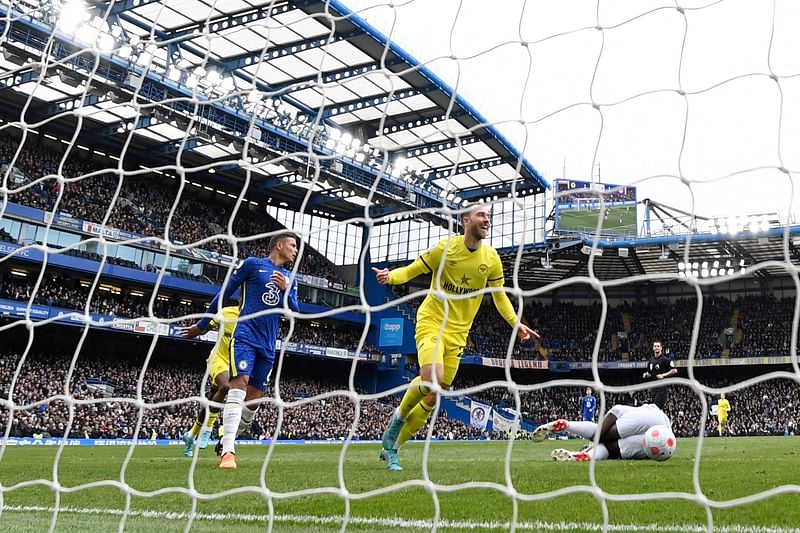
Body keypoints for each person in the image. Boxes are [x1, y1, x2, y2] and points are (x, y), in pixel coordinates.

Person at [372, 203, 538, 471]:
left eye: (489, 216)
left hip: (459, 334)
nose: (487, 220)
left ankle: (393, 450)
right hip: (433, 320)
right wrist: (390, 276)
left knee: (433, 396)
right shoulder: (445, 248)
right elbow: (413, 269)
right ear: (466, 221)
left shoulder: (491, 258)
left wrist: (516, 324)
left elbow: (499, 296)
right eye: (482, 215)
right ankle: (398, 419)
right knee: (432, 379)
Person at [191, 232, 299, 469]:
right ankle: (228, 452)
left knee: (253, 404)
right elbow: (225, 292)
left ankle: (225, 439)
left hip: (269, 344)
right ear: (278, 246)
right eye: (292, 245)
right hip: (245, 336)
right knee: (238, 384)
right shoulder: (253, 265)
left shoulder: (291, 278)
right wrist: (201, 325)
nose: (295, 250)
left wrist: (287, 290)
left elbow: (296, 312)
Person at [179, 298, 240, 457]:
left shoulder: (252, 319)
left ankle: (191, 435)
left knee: (212, 397)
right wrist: (197, 330)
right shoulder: (226, 313)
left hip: (233, 362)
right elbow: (207, 326)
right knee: (225, 387)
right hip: (218, 359)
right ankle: (207, 430)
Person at [533, 403, 672, 461]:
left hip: (643, 412)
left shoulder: (648, 410)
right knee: (611, 448)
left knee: (603, 435)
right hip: (664, 436)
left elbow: (617, 410)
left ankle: (567, 425)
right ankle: (588, 456)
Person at [642, 340, 676, 409]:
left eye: (658, 346)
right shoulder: (651, 361)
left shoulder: (665, 360)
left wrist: (663, 375)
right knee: (654, 408)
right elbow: (649, 373)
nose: (656, 347)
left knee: (657, 408)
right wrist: (646, 374)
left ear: (661, 348)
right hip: (653, 387)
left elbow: (674, 370)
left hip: (662, 388)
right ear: (653, 348)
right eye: (655, 346)